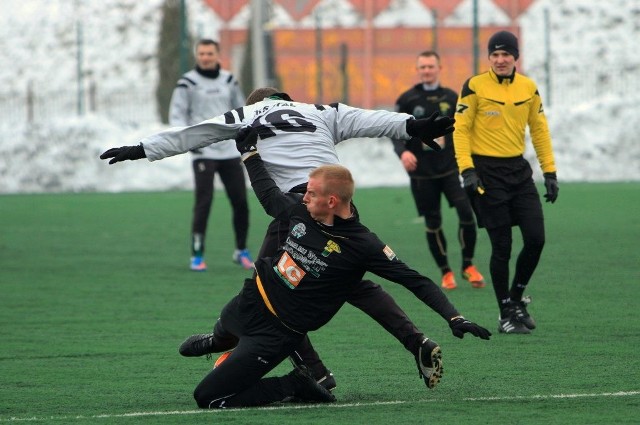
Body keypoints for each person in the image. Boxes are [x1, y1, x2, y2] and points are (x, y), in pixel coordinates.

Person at [99, 87, 457, 391]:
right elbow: (369, 119)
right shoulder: (318, 110)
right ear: (287, 98)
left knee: (270, 287)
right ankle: (416, 341)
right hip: (338, 204)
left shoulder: (249, 113)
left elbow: (194, 133)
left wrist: (143, 148)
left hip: (298, 207)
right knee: (349, 280)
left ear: (258, 101)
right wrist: (411, 126)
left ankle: (310, 371)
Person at [175, 128, 491, 408]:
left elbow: (415, 280)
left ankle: (294, 384)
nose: (303, 196)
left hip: (274, 334)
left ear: (332, 201)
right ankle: (216, 342)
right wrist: (249, 154)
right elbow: (269, 197)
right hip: (250, 301)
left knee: (209, 397)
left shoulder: (363, 245)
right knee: (222, 332)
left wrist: (453, 316)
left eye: (311, 193)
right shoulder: (302, 210)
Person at [453, 31, 559, 334]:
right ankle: (505, 314)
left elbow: (539, 131)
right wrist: (467, 170)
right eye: (495, 54)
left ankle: (515, 298)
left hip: (518, 171)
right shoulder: (474, 86)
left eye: (506, 55)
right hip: (486, 173)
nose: (500, 60)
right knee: (502, 246)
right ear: (489, 57)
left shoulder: (528, 87)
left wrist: (550, 173)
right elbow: (460, 130)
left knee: (536, 238)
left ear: (516, 57)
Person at [392, 50, 485, 291]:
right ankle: (446, 271)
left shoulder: (452, 97)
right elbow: (394, 132)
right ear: (417, 70)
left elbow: (464, 129)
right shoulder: (407, 99)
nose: (426, 71)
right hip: (422, 174)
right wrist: (403, 152)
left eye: (430, 67)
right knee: (433, 222)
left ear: (439, 68)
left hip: (450, 169)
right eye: (422, 67)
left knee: (467, 214)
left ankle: (468, 265)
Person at [168, 39, 253, 272]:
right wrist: (188, 141)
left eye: (210, 53)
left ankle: (241, 251)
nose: (205, 57)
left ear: (218, 55)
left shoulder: (229, 80)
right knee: (204, 202)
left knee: (240, 202)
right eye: (202, 53)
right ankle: (197, 254)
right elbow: (177, 115)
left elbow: (242, 111)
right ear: (197, 56)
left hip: (228, 150)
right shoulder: (187, 83)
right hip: (203, 151)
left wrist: (243, 134)